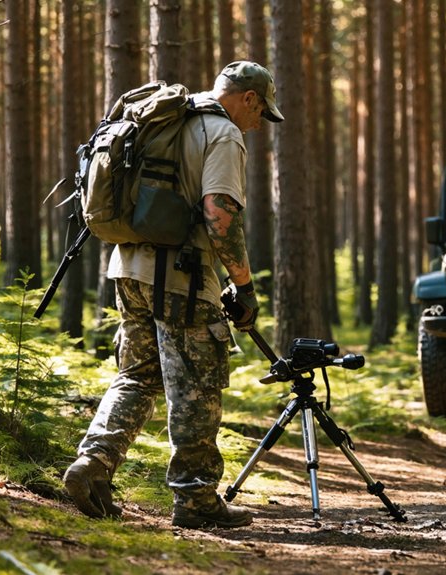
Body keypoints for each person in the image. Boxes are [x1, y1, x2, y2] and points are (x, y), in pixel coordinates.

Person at [63, 61, 284, 529]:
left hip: (128, 269)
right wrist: (244, 285)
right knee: (196, 389)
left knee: (137, 376)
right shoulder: (222, 134)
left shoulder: (167, 117)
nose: (259, 122)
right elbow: (219, 215)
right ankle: (195, 499)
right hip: (179, 280)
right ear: (248, 98)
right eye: (262, 111)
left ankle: (93, 463)